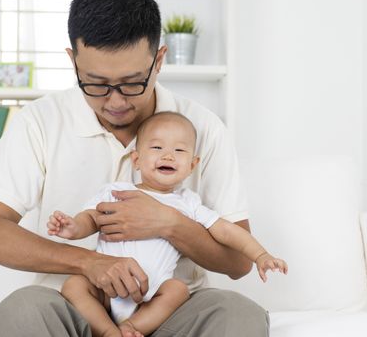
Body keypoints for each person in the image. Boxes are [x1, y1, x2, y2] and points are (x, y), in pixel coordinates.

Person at [0, 0, 271, 336]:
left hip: (170, 309)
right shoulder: (38, 121)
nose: (114, 101)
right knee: (19, 312)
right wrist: (89, 262)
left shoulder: (203, 128)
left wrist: (169, 223)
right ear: (73, 61)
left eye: (131, 84)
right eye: (95, 84)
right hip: (72, 306)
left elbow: (238, 262)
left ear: (159, 61)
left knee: (239, 315)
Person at [47, 112, 288, 337]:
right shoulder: (116, 192)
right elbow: (91, 218)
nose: (168, 155)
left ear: (192, 166)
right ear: (136, 159)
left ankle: (131, 327)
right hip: (106, 291)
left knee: (178, 290)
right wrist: (72, 228)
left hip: (152, 294)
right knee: (75, 285)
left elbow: (225, 230)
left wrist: (260, 255)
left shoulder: (189, 204)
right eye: (157, 147)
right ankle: (108, 331)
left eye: (179, 150)